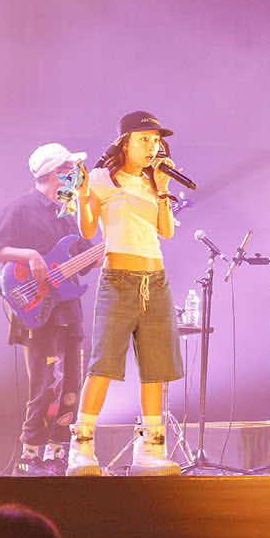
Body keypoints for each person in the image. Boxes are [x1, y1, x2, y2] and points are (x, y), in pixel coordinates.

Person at [69, 111, 184, 477]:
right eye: (144, 139)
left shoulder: (154, 180)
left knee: (156, 368)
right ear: (125, 142)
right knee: (103, 363)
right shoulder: (103, 178)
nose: (152, 147)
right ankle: (82, 445)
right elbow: (88, 229)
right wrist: (83, 194)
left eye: (156, 141)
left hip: (156, 280)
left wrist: (162, 188)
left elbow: (167, 231)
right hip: (118, 279)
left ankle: (150, 448)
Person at [0, 142, 93, 475]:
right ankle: (31, 453)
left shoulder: (69, 212)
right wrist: (30, 256)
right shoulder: (20, 208)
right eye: (69, 168)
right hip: (36, 308)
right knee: (44, 385)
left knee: (70, 384)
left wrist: (108, 250)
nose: (74, 174)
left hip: (68, 310)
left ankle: (58, 451)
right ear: (53, 172)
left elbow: (84, 260)